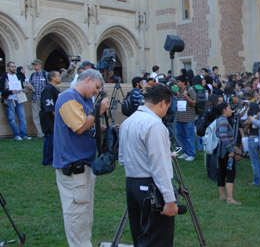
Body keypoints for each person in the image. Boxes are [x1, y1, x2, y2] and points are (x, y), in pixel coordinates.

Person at [52, 69, 110, 247]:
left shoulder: (84, 99)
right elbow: (79, 127)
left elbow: (89, 124)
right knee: (77, 215)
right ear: (88, 79)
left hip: (85, 165)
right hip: (74, 167)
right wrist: (98, 111)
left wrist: (107, 129)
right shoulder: (68, 98)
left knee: (84, 214)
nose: (96, 92)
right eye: (96, 87)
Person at [119, 85, 179, 246]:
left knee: (140, 236)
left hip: (132, 184)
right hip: (150, 186)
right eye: (167, 106)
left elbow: (122, 157)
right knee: (157, 240)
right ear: (162, 103)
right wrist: (169, 200)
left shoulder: (128, 122)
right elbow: (160, 166)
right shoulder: (155, 125)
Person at [215, 102, 241, 205]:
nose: (231, 110)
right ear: (224, 110)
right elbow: (224, 136)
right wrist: (231, 151)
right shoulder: (223, 120)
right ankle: (230, 198)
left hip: (221, 151)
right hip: (226, 152)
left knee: (222, 172)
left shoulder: (220, 120)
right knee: (230, 172)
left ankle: (222, 196)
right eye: (229, 108)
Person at [1, 61, 30, 140]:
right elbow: (2, 90)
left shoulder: (18, 76)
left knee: (22, 117)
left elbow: (22, 86)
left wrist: (24, 91)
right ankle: (16, 134)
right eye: (12, 67)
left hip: (19, 98)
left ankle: (24, 134)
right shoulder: (4, 77)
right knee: (11, 118)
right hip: (9, 100)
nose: (14, 68)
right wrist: (10, 92)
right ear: (8, 67)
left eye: (14, 67)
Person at [40, 70, 62, 166]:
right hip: (48, 117)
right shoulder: (48, 89)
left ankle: (54, 157)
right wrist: (57, 116)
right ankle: (47, 160)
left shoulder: (56, 89)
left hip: (54, 116)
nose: (60, 77)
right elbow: (49, 104)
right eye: (58, 76)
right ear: (53, 78)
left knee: (54, 137)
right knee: (50, 137)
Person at [175, 75, 197, 161]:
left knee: (189, 137)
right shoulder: (178, 91)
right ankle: (185, 152)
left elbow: (193, 103)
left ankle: (191, 154)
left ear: (183, 82)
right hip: (179, 118)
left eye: (178, 82)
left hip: (188, 118)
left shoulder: (190, 90)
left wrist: (186, 96)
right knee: (182, 136)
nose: (177, 84)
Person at [29, 59, 48, 137]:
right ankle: (40, 133)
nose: (35, 66)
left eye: (36, 64)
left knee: (44, 116)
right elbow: (29, 84)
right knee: (35, 116)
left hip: (43, 99)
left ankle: (45, 131)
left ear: (40, 65)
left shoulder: (45, 74)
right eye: (34, 65)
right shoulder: (32, 75)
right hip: (35, 98)